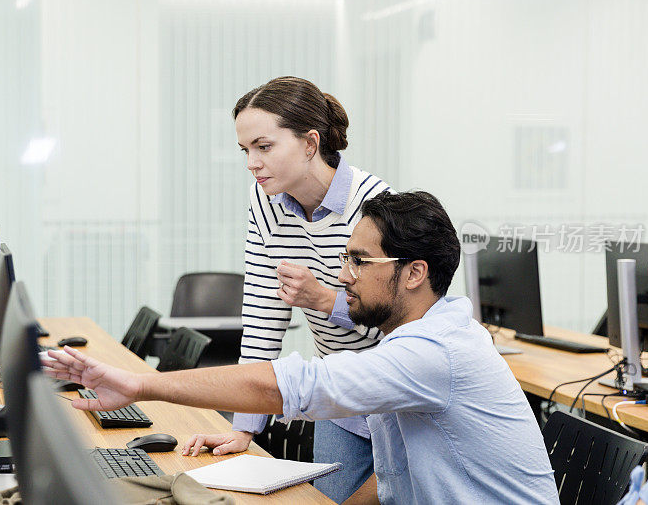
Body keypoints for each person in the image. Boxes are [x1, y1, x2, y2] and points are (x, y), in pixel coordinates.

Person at [44, 190, 560, 505]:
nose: (343, 276)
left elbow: (293, 385)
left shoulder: (433, 351)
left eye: (359, 261)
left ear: (414, 274)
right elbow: (394, 482)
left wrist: (138, 384)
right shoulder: (411, 346)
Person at [204, 76, 391, 502]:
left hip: (397, 392)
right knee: (327, 500)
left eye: (263, 146)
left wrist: (325, 300)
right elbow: (262, 317)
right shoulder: (264, 200)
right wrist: (243, 427)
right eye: (245, 150)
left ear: (310, 143)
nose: (252, 162)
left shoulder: (372, 204)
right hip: (339, 390)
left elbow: (399, 322)